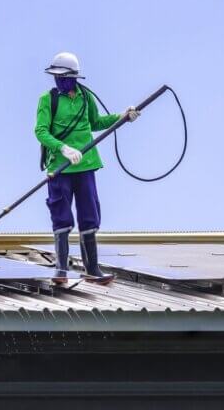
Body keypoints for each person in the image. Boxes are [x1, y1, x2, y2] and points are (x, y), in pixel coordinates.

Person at [34, 52, 139, 285]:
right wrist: (63, 149)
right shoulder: (47, 99)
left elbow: (96, 122)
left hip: (86, 164)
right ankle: (61, 269)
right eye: (56, 77)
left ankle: (92, 268)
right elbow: (41, 131)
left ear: (74, 77)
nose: (60, 81)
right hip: (61, 166)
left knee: (89, 214)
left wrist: (121, 117)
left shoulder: (85, 97)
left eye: (64, 77)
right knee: (61, 214)